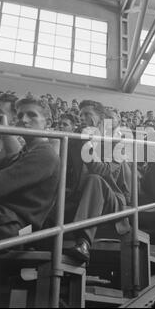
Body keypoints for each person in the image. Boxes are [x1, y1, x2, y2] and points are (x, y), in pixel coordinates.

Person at [63, 100, 132, 263]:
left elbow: (104, 172)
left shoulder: (116, 144)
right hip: (79, 196)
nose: (82, 118)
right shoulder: (74, 141)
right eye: (81, 114)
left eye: (87, 114)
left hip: (111, 199)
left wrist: (87, 145)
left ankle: (84, 242)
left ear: (100, 120)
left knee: (94, 179)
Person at [0, 96, 60, 242]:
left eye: (31, 115)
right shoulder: (24, 152)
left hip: (16, 225)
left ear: (48, 123)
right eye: (20, 115)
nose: (24, 120)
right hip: (1, 217)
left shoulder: (45, 154)